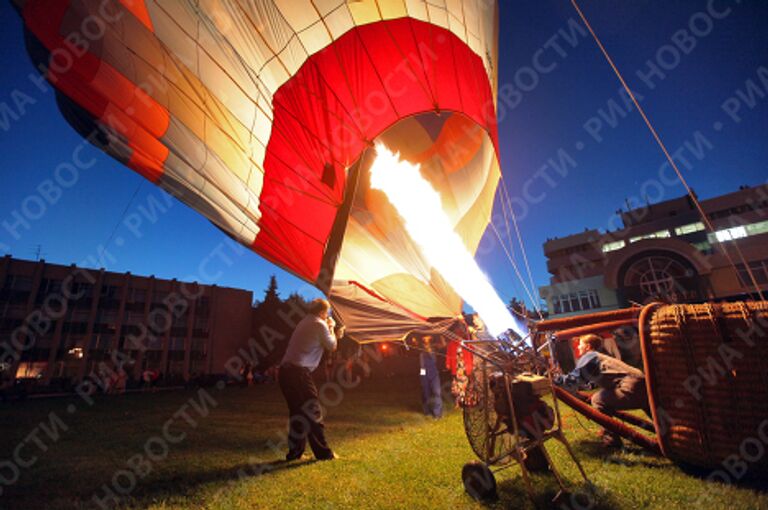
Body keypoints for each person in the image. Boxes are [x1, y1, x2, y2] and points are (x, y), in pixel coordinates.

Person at [278, 298, 344, 461]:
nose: (328, 315)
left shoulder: (305, 321)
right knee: (313, 411)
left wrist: (329, 328)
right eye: (327, 312)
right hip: (298, 373)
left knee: (297, 414)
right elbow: (332, 346)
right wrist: (333, 329)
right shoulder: (319, 324)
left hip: (286, 373)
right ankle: (324, 454)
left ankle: (295, 453)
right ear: (322, 312)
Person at [557, 334, 649, 448]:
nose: (578, 347)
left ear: (587, 346)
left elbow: (574, 379)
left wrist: (554, 380)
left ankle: (611, 440)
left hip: (631, 386)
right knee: (657, 415)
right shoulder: (602, 356)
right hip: (644, 383)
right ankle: (670, 431)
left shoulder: (589, 356)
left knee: (598, 400)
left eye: (580, 344)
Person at [419, 335, 444, 418]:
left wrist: (430, 351)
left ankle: (437, 413)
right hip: (425, 374)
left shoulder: (434, 348)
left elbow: (434, 360)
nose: (426, 340)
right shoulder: (421, 352)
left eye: (428, 339)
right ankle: (427, 411)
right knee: (426, 393)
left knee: (437, 392)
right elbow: (422, 366)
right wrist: (422, 377)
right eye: (424, 339)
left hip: (434, 373)